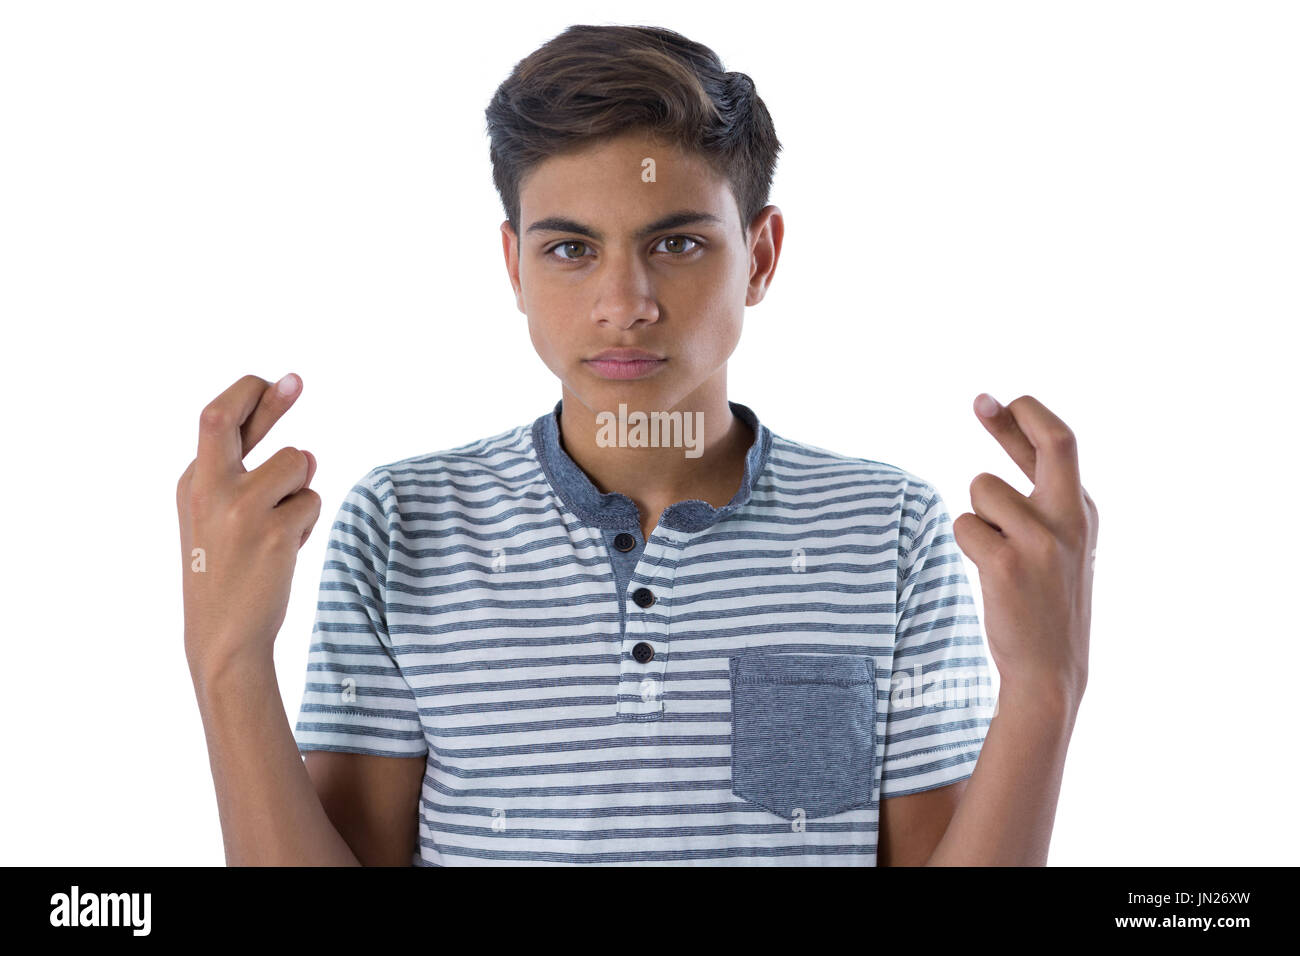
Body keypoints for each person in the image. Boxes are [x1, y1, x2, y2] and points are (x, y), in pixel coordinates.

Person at [176, 24, 1098, 866]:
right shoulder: (402, 524)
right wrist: (229, 658)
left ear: (762, 256)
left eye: (679, 244)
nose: (625, 304)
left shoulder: (887, 530)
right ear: (514, 267)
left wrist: (1045, 688)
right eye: (572, 250)